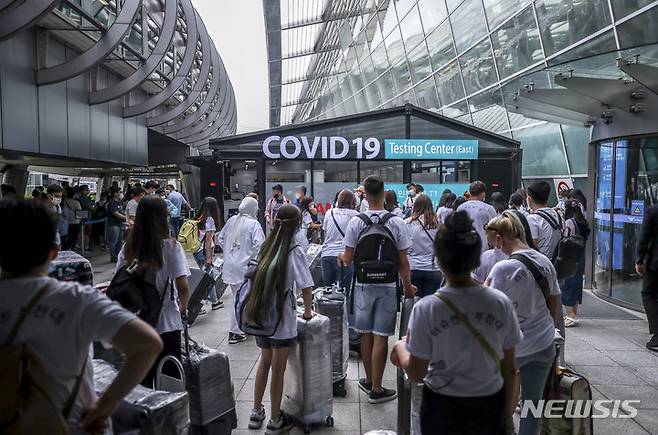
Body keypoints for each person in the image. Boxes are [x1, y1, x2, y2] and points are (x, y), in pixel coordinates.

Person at [0, 197, 163, 434]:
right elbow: (148, 344)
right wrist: (106, 404)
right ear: (53, 251)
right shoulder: (76, 299)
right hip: (74, 424)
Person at [391, 211, 520, 435]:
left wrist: (400, 348)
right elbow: (510, 368)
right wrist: (507, 417)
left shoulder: (427, 308)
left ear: (439, 260)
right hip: (489, 406)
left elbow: (416, 373)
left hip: (442, 409)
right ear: (476, 258)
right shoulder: (500, 303)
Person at [339, 175, 416, 404]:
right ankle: (377, 388)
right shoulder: (396, 222)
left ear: (365, 195)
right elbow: (403, 262)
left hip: (362, 285)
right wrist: (409, 288)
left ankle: (368, 379)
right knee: (381, 336)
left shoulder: (356, 221)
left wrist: (340, 258)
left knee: (365, 333)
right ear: (383, 194)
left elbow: (347, 257)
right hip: (387, 286)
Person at [485, 211, 560, 435]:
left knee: (502, 408)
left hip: (513, 349)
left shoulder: (502, 268)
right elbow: (554, 302)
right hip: (544, 343)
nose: (495, 249)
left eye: (493, 244)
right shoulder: (544, 261)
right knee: (532, 407)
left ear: (499, 238)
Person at [247, 204, 314, 434]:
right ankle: (275, 420)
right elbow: (306, 286)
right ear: (296, 225)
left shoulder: (266, 246)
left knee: (264, 362)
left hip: (260, 317)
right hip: (282, 321)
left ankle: (256, 412)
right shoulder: (294, 250)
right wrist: (307, 312)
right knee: (278, 369)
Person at [116, 196, 191, 387]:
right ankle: (171, 413)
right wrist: (184, 308)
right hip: (166, 321)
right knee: (170, 376)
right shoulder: (171, 247)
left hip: (137, 322)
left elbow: (119, 280)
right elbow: (183, 285)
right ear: (162, 218)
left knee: (143, 378)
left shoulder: (128, 247)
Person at [217, 197, 265, 345]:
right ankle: (235, 331)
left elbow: (221, 238)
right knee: (240, 298)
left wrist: (230, 252)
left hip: (230, 266)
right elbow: (261, 245)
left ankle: (243, 325)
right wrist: (251, 256)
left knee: (240, 296)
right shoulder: (253, 224)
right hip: (245, 267)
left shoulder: (232, 220)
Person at [406, 195, 443, 298]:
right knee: (430, 305)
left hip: (413, 267)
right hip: (433, 268)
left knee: (413, 303)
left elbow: (404, 248)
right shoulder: (438, 224)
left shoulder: (407, 223)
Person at [562, 200, 590, 328]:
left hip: (570, 258)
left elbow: (565, 239)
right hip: (580, 257)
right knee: (577, 284)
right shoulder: (582, 222)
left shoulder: (569, 222)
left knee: (568, 286)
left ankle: (571, 316)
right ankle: (573, 313)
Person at [321, 189, 358, 288]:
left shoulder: (330, 213)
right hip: (346, 256)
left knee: (327, 292)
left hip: (327, 254)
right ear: (352, 201)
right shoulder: (355, 215)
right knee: (345, 292)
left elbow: (325, 232)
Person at [193, 197, 222, 310]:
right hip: (204, 252)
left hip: (197, 250)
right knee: (207, 279)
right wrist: (209, 258)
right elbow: (208, 240)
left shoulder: (198, 217)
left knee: (207, 278)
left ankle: (214, 301)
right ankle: (198, 305)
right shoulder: (210, 220)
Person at [636, 202, 658, 351]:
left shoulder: (653, 211)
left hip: (656, 263)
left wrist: (639, 260)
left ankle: (657, 334)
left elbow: (643, 237)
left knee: (648, 294)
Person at [456, 181, 498, 254]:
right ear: (483, 193)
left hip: (463, 250)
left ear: (470, 192)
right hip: (483, 251)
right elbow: (497, 229)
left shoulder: (460, 208)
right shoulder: (488, 209)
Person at [526, 181, 563, 259]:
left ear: (529, 199)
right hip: (557, 265)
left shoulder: (532, 219)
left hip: (541, 266)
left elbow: (531, 249)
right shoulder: (558, 215)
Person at [106, 186, 127, 263]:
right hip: (113, 225)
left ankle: (118, 256)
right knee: (113, 242)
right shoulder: (111, 203)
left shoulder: (119, 202)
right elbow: (116, 213)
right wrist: (126, 218)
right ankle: (113, 257)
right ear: (115, 194)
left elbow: (121, 211)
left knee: (119, 241)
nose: (121, 194)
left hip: (120, 224)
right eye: (119, 192)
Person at [46, 184, 64, 248]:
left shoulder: (58, 206)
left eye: (60, 196)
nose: (59, 198)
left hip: (56, 239)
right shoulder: (42, 207)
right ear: (49, 195)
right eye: (56, 196)